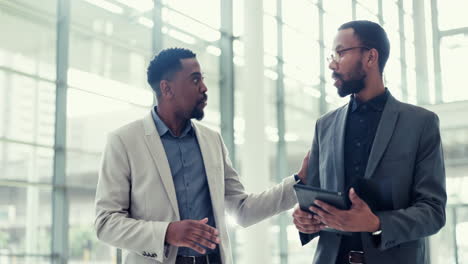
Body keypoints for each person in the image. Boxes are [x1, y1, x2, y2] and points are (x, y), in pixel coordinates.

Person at [94, 48, 307, 264]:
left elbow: (242, 210)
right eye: (195, 80)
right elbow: (106, 223)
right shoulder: (124, 141)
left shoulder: (212, 140)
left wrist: (299, 182)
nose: (204, 88)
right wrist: (167, 232)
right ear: (167, 89)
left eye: (202, 79)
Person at [292, 20, 446, 264]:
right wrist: (305, 219)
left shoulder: (421, 123)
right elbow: (316, 201)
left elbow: (433, 211)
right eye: (332, 55)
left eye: (340, 53)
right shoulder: (324, 125)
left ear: (371, 57)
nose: (332, 64)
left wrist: (376, 223)